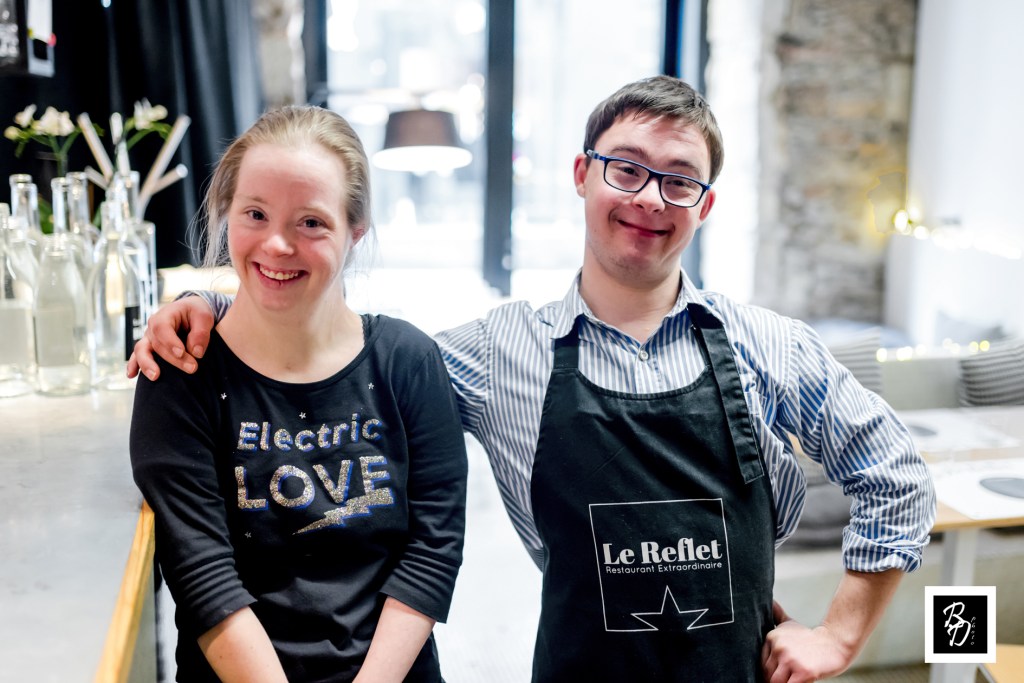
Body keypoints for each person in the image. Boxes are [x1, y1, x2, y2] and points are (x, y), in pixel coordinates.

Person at [129, 76, 935, 682]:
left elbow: (896, 474)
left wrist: (838, 633)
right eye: (626, 168)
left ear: (705, 203)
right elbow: (332, 347)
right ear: (583, 173)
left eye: (679, 179)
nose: (650, 198)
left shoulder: (770, 344)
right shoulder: (493, 352)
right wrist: (207, 301)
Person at [128, 105, 468, 682]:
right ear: (226, 216)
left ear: (355, 231)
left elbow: (432, 553)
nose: (277, 245)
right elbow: (202, 575)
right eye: (255, 214)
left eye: (311, 222)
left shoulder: (407, 360)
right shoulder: (182, 370)